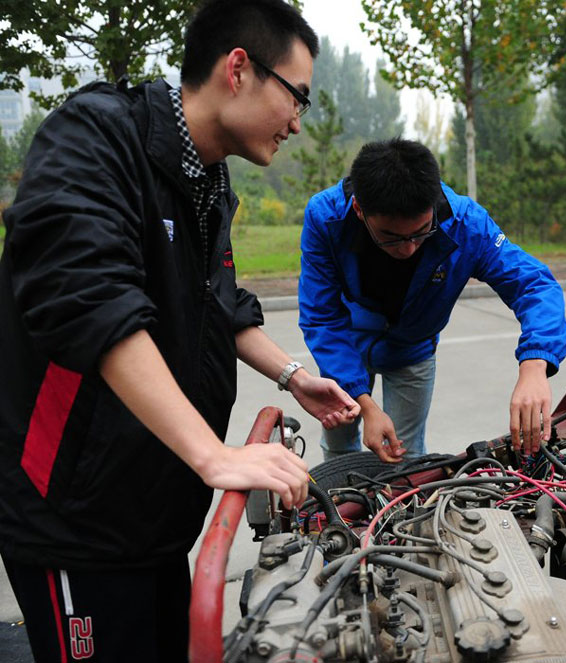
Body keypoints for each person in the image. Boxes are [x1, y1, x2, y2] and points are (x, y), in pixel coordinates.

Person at [0, 1, 359, 661]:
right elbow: (92, 302)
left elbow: (218, 303)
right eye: (297, 97)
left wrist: (294, 378)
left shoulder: (207, 177)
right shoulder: (96, 137)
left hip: (155, 513)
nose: (298, 122)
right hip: (76, 521)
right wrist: (213, 456)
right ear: (238, 69)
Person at [299, 138, 566, 463]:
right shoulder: (326, 217)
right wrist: (365, 405)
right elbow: (322, 317)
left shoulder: (466, 225)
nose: (408, 248)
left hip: (412, 350)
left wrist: (535, 363)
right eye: (391, 237)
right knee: (340, 451)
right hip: (345, 346)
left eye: (420, 232)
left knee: (406, 461)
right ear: (359, 210)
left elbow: (534, 284)